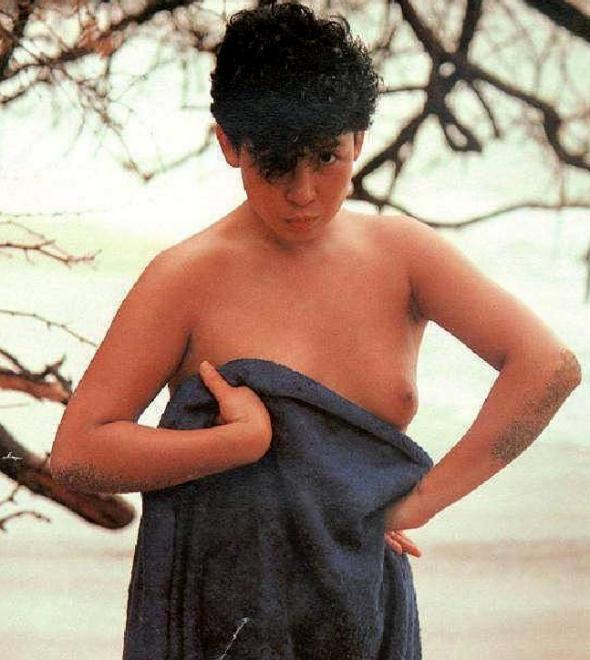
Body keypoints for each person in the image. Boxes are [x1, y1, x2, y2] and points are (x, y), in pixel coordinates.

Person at [50, 1, 581, 657]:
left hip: (361, 606)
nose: (302, 192)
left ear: (359, 138)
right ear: (229, 144)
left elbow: (548, 368)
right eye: (276, 163)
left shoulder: (404, 257)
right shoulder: (186, 278)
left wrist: (426, 499)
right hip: (226, 614)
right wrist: (236, 444)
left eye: (326, 157)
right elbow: (78, 452)